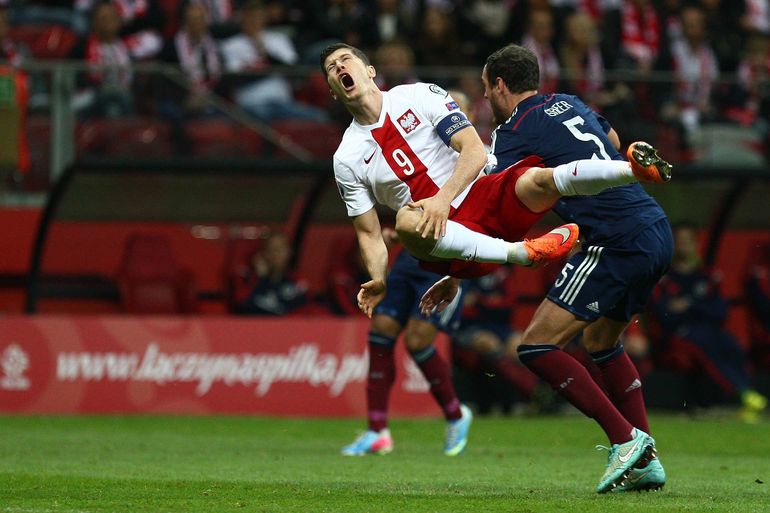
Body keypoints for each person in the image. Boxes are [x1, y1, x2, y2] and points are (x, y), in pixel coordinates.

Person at [419, 44, 672, 493]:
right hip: (654, 227)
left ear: (499, 85)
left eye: (485, 88)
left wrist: (456, 268)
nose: (486, 98)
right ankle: (646, 459)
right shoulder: (571, 103)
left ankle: (625, 441)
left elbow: (498, 211)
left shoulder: (513, 130)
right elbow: (612, 144)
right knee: (600, 340)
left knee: (536, 346)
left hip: (615, 237)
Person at [321, 42, 665, 324]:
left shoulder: (419, 95)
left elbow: (473, 149)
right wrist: (379, 278)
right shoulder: (346, 158)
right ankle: (523, 253)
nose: (339, 68)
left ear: (369, 70)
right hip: (443, 236)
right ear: (334, 92)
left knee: (538, 179)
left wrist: (443, 198)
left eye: (345, 60)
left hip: (481, 197)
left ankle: (633, 170)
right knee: (407, 220)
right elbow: (368, 233)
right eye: (331, 69)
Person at [340, 227, 472, 457]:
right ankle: (377, 431)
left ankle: (456, 416)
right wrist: (399, 234)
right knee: (381, 328)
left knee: (416, 340)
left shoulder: (464, 188)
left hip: (446, 264)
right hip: (410, 261)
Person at [648, 224, 767, 422]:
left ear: (696, 243)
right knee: (703, 346)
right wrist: (699, 305)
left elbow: (720, 312)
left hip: (708, 329)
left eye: (688, 241)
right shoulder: (664, 278)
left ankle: (748, 391)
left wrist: (688, 304)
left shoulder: (708, 276)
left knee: (731, 344)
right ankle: (740, 394)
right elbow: (666, 315)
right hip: (679, 335)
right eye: (680, 242)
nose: (684, 246)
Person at [232, 232, 309, 316]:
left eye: (283, 249)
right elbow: (245, 307)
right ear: (263, 254)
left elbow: (302, 311)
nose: (279, 255)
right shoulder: (247, 279)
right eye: (274, 250)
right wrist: (261, 278)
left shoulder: (295, 281)